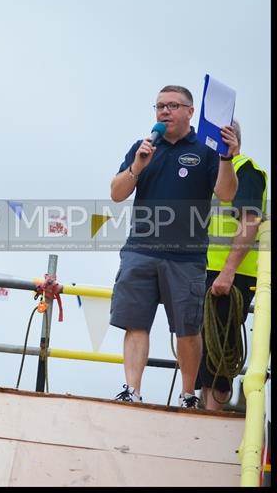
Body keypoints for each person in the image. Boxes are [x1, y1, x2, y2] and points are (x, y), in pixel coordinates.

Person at [109, 85, 238, 408]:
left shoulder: (207, 150)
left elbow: (226, 193)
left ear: (190, 112)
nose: (165, 112)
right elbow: (116, 192)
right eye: (160, 106)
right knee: (135, 322)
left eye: (173, 106)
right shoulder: (143, 147)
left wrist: (226, 157)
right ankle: (132, 389)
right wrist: (138, 165)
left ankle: (188, 394)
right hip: (140, 249)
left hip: (186, 255)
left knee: (187, 329)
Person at [199, 120, 267, 410]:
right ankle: (199, 408)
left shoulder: (246, 169)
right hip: (203, 270)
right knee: (201, 342)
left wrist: (227, 273)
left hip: (232, 274)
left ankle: (212, 413)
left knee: (220, 346)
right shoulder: (210, 176)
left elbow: (249, 221)